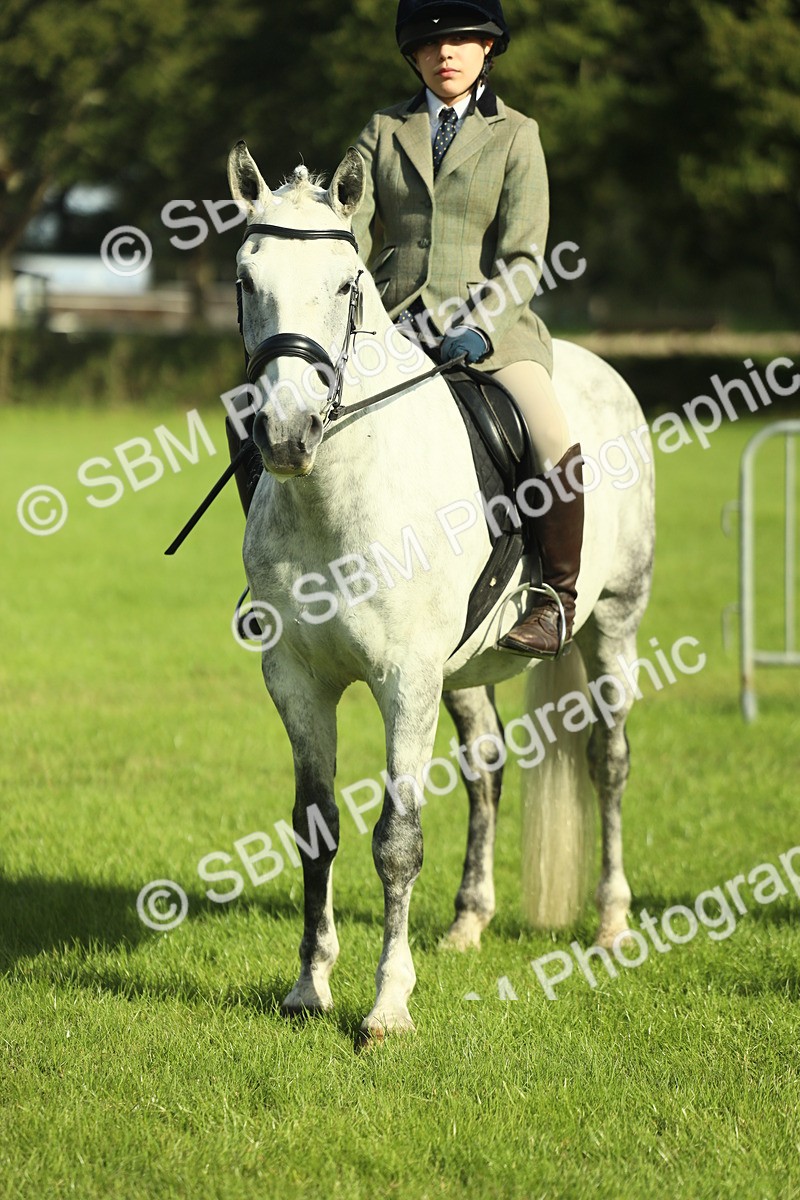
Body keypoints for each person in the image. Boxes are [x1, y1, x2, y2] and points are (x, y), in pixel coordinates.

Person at [350, 0, 584, 658]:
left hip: (492, 332)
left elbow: (522, 257)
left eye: (459, 41)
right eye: (429, 44)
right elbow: (350, 229)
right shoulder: (381, 131)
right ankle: (286, 580)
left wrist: (480, 330)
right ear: (412, 56)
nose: (444, 53)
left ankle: (556, 599)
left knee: (549, 431)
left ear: (487, 48)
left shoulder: (517, 134)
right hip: (393, 327)